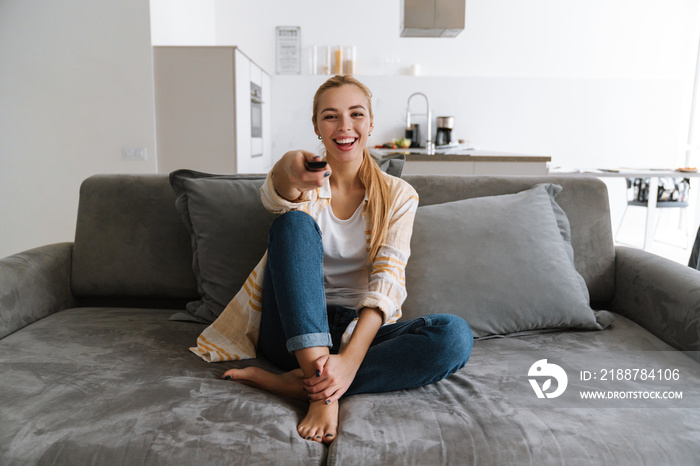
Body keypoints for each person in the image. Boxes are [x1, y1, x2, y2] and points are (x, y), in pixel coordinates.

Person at [196, 75, 473, 444]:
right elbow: (276, 194)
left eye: (356, 114)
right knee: (293, 223)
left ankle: (302, 385)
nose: (345, 126)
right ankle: (324, 393)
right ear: (316, 126)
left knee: (454, 337)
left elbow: (388, 283)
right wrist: (288, 167)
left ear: (371, 123)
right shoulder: (305, 179)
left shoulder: (400, 195)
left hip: (357, 331)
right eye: (331, 116)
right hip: (290, 331)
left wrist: (350, 361)